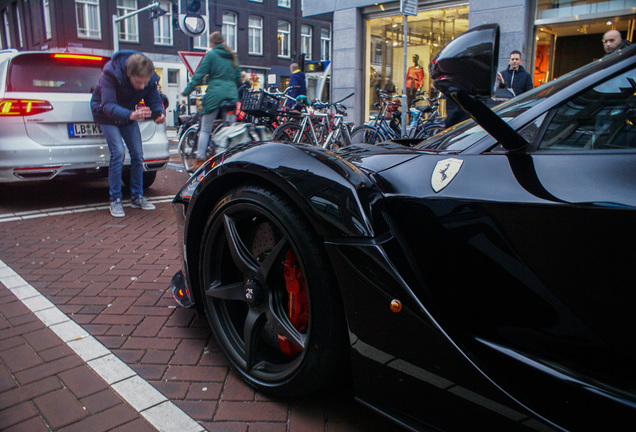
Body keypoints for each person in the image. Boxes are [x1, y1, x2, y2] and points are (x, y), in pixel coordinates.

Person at [91, 51, 165, 218]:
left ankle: (137, 197)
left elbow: (153, 99)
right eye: (138, 82)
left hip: (128, 113)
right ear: (128, 74)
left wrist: (159, 113)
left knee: (138, 155)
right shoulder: (111, 72)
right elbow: (108, 105)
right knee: (118, 153)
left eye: (145, 82)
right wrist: (131, 115)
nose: (142, 86)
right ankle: (115, 199)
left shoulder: (150, 78)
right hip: (106, 114)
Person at [181, 32, 241, 171]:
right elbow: (238, 80)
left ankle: (200, 160)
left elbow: (199, 74)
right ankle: (229, 158)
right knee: (229, 130)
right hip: (231, 95)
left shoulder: (211, 54)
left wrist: (187, 90)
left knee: (205, 129)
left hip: (215, 94)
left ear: (212, 43)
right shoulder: (233, 56)